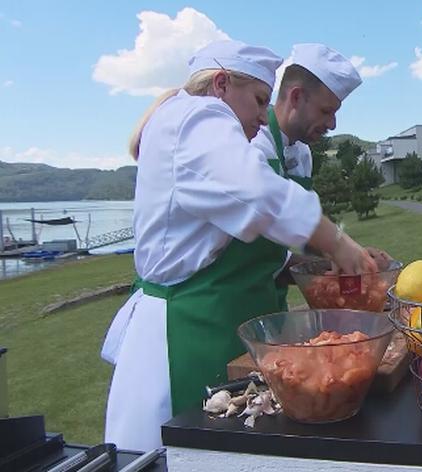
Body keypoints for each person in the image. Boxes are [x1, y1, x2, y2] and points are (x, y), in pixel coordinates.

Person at [100, 40, 377, 452]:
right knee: (190, 450)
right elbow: (255, 192)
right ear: (221, 85)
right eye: (259, 101)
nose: (262, 120)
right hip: (184, 329)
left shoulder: (197, 119)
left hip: (223, 314)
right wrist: (337, 243)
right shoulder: (196, 115)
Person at [250, 43, 360, 310]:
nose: (332, 124)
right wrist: (337, 244)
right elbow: (265, 208)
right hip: (227, 302)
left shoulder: (302, 154)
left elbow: (303, 238)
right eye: (326, 111)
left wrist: (348, 258)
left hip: (271, 303)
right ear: (296, 97)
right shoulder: (252, 145)